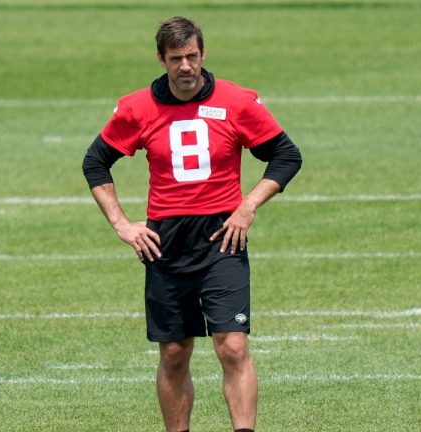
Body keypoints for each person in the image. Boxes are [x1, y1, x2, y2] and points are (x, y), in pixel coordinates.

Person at [82, 16, 302, 432]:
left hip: (223, 236)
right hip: (165, 242)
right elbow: (95, 163)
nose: (186, 67)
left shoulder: (236, 101)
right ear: (161, 59)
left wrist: (248, 206)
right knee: (175, 353)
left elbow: (287, 156)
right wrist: (123, 225)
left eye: (192, 56)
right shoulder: (137, 107)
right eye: (176, 58)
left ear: (203, 54)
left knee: (233, 347)